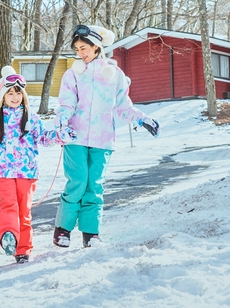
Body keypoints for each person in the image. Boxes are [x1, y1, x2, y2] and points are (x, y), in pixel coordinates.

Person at [53, 24, 160, 248]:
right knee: (78, 182)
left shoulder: (114, 75)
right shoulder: (73, 74)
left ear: (97, 46)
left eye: (84, 48)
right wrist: (62, 122)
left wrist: (142, 119)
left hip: (103, 139)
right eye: (78, 49)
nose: (81, 53)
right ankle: (63, 229)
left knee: (95, 185)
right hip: (76, 137)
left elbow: (123, 106)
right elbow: (66, 102)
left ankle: (91, 233)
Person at [0, 66, 58, 264]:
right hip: (4, 171)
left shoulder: (31, 118)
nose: (14, 97)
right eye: (10, 93)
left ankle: (23, 249)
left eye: (18, 93)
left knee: (24, 211)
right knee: (8, 205)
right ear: (2, 96)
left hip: (26, 172)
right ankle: (8, 235)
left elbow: (44, 137)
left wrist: (59, 136)